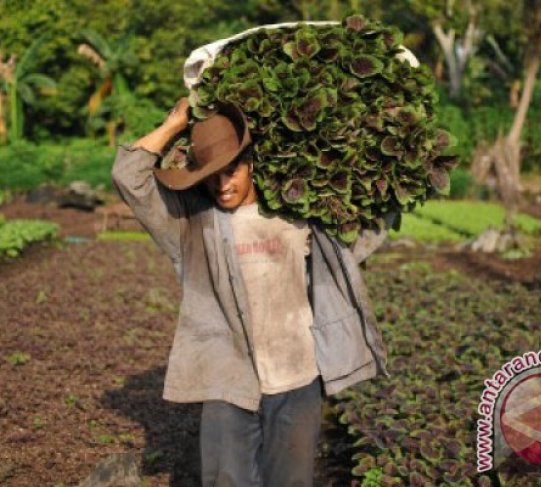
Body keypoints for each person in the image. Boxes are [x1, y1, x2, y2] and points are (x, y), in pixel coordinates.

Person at [111, 96, 390, 487]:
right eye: (211, 174)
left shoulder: (295, 214)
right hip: (228, 380)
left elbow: (374, 217)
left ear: (252, 164)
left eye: (232, 171)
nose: (222, 185)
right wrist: (174, 124)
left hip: (297, 376)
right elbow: (129, 176)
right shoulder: (190, 224)